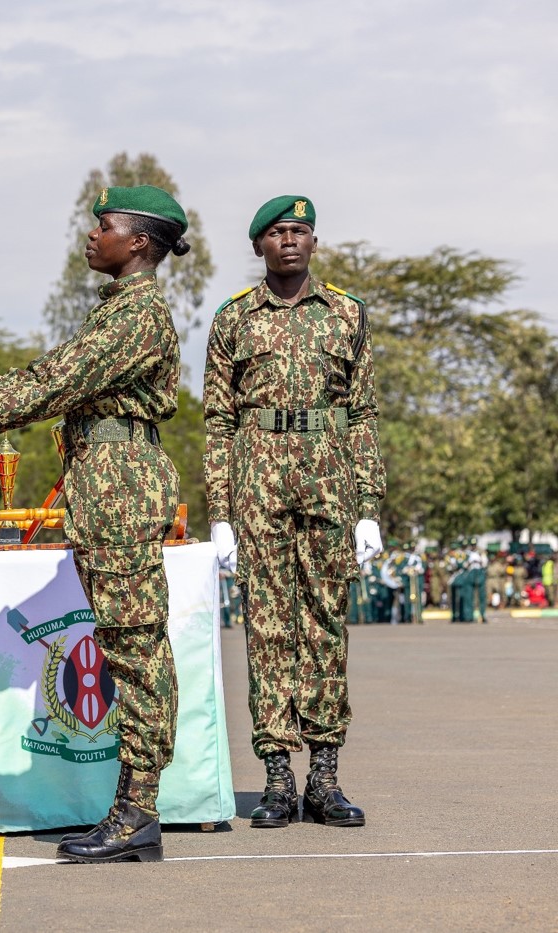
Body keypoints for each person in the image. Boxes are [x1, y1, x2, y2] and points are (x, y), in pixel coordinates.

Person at [0, 184, 188, 863]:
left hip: (119, 487)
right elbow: (47, 374)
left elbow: (46, 389)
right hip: (104, 484)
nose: (92, 234)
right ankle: (133, 807)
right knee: (125, 647)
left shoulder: (137, 318)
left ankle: (139, 810)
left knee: (136, 654)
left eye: (104, 224)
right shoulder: (118, 313)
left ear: (139, 242)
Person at [203, 195, 385, 830]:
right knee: (270, 628)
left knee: (326, 625)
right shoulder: (233, 320)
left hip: (330, 483)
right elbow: (218, 421)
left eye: (300, 232)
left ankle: (324, 778)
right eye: (277, 233)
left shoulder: (347, 315)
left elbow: (362, 414)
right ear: (258, 246)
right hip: (258, 484)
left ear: (314, 243)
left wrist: (368, 505)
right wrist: (220, 513)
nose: (289, 241)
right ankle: (278, 778)